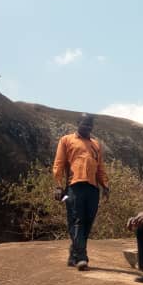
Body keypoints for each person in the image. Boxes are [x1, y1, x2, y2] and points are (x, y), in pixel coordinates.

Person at [52, 113, 109, 271]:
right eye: (84, 124)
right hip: (74, 186)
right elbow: (58, 164)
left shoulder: (96, 144)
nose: (87, 127)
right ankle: (82, 257)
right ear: (77, 123)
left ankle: (73, 254)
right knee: (77, 220)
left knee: (88, 221)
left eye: (90, 125)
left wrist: (105, 185)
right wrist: (58, 185)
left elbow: (100, 167)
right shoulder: (66, 140)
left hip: (92, 188)